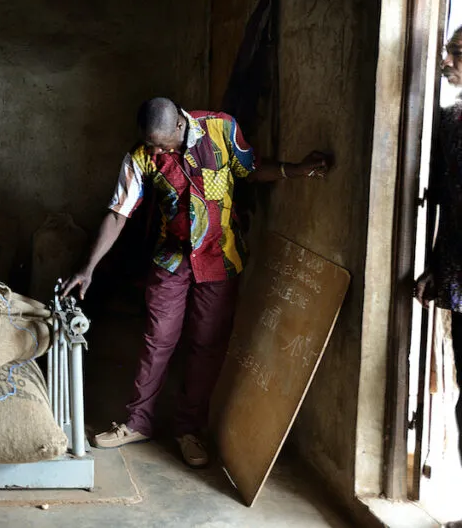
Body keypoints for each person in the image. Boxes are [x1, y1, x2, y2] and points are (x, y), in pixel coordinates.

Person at [61, 97, 330, 468]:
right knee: (158, 339)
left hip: (220, 258)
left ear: (178, 126)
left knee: (207, 346)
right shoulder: (141, 156)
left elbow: (251, 170)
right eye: (151, 143)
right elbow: (118, 213)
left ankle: (189, 430)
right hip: (171, 259)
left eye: (162, 143)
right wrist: (88, 267)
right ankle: (138, 422)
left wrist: (294, 171)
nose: (156, 150)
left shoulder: (221, 129)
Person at [416, 26, 462, 528]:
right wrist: (435, 266)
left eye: (457, 53)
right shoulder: (450, 121)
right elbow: (448, 204)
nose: (447, 61)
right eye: (449, 51)